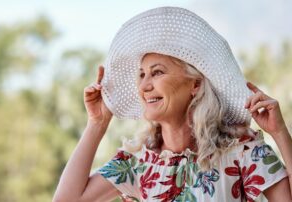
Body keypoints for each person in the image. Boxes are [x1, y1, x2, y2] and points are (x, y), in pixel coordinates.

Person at [53, 7, 292, 202]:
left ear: (195, 85)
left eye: (157, 73)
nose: (144, 86)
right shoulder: (137, 163)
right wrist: (97, 123)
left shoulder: (242, 150)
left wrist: (280, 134)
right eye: (142, 74)